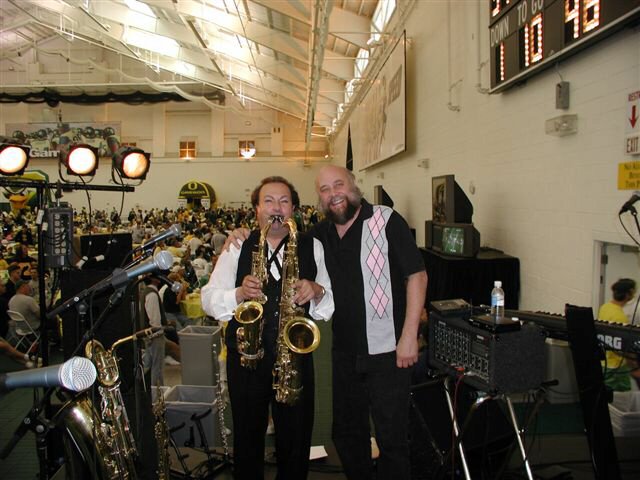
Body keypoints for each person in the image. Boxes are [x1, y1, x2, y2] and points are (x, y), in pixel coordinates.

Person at [225, 166, 427, 479]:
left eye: (339, 185)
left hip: (388, 348)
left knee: (392, 438)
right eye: (324, 189)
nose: (333, 194)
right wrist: (240, 235)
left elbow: (417, 275)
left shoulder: (386, 220)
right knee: (347, 434)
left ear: (354, 186)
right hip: (345, 351)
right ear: (318, 197)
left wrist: (410, 335)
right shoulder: (319, 236)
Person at [202, 176, 334, 479]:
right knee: (247, 441)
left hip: (295, 357)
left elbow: (328, 306)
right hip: (246, 360)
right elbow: (208, 300)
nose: (277, 208)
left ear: (294, 210)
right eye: (269, 201)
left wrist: (316, 290)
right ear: (256, 209)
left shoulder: (312, 246)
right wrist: (237, 294)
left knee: (296, 441)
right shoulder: (237, 245)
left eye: (284, 202)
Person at [598, 278, 639, 391]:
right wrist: (633, 361)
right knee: (623, 396)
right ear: (629, 293)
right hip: (616, 367)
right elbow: (620, 347)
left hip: (604, 362)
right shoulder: (620, 317)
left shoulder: (605, 307)